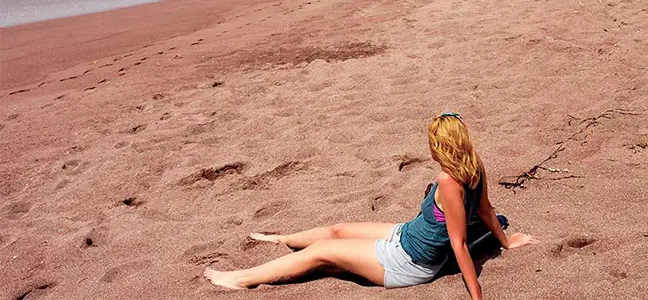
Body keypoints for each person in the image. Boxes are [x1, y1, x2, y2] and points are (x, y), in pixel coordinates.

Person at [204, 112, 538, 299]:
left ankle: (242, 279)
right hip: (405, 235)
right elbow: (486, 211)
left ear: (441, 146)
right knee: (337, 230)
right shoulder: (474, 164)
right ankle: (284, 239)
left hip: (405, 262)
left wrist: (476, 295)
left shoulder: (450, 181)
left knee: (321, 252)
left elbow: (459, 243)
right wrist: (507, 241)